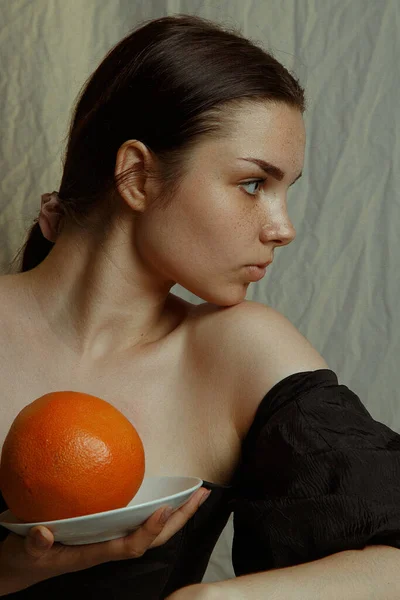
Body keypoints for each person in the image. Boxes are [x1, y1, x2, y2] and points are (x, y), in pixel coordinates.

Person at [1, 12, 400, 600]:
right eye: (252, 185)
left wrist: (218, 598)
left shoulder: (240, 350)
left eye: (287, 189)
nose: (283, 228)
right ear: (136, 175)